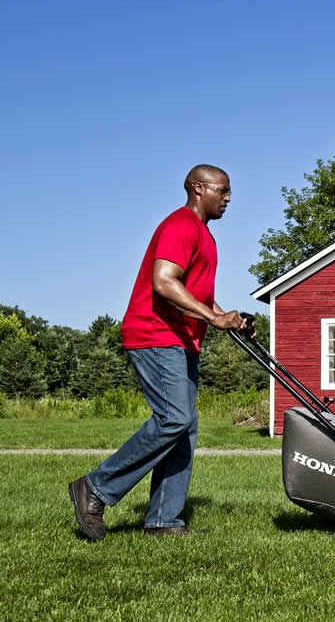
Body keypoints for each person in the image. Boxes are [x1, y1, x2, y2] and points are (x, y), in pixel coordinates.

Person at [69, 164, 247, 540]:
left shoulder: (206, 237)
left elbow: (196, 295)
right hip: (155, 332)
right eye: (223, 190)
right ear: (199, 189)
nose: (229, 198)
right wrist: (213, 320)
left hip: (182, 338)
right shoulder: (181, 225)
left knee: (185, 427)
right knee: (175, 418)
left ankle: (165, 520)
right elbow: (164, 283)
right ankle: (95, 488)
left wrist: (225, 317)